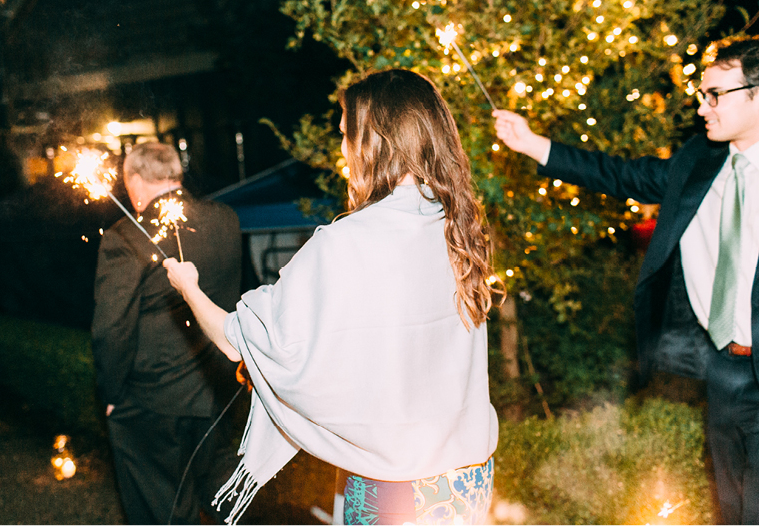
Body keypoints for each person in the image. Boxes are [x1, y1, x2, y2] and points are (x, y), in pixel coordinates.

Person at [164, 69, 500, 525]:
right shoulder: (456, 226)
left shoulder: (347, 242)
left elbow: (236, 339)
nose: (343, 151)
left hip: (393, 489)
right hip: (467, 481)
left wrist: (188, 288)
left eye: (347, 135)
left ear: (374, 142)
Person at [493, 35, 759, 524]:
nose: (703, 108)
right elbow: (621, 176)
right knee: (734, 504)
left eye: (715, 95)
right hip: (724, 368)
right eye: (702, 94)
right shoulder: (699, 162)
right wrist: (532, 144)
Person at [91, 142, 244, 524]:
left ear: (137, 182)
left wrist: (112, 393)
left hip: (152, 402)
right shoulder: (225, 218)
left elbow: (112, 327)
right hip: (217, 392)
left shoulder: (124, 237)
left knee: (161, 510)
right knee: (224, 498)